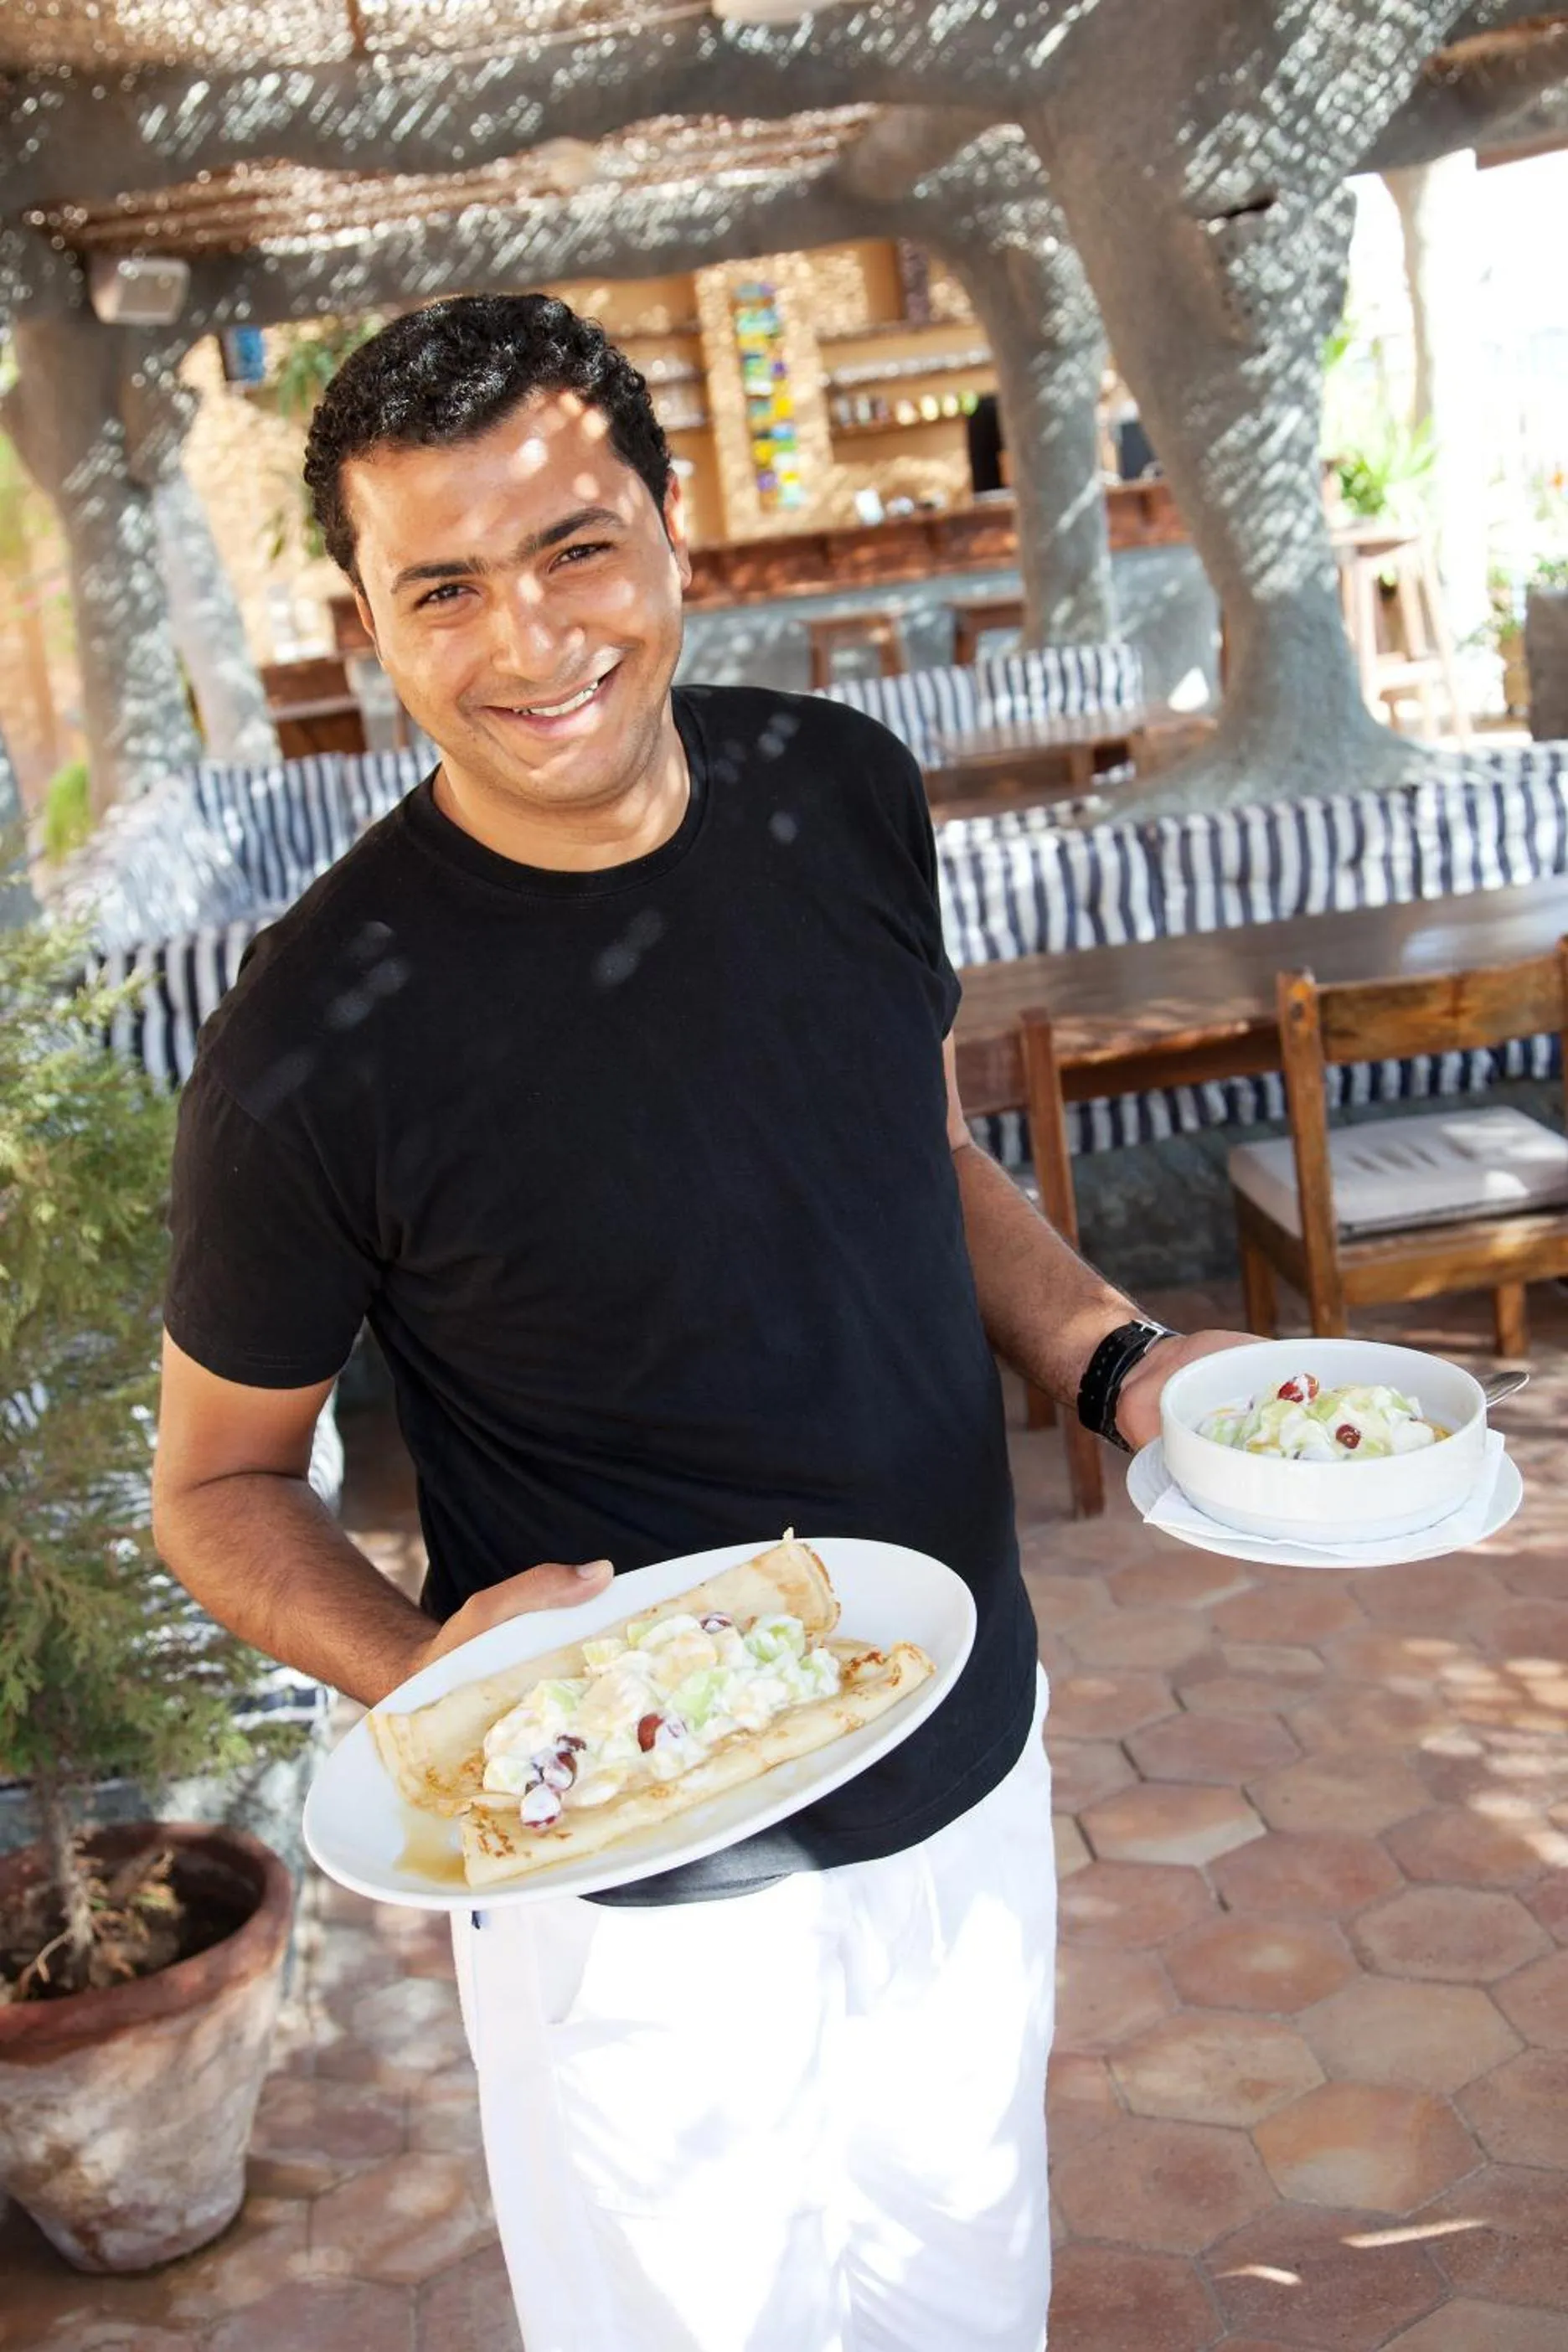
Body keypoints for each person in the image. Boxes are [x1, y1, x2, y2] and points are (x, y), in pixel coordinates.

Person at [152, 292, 1246, 2352]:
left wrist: (1118, 1357)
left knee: (966, 2285)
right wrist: (413, 1670)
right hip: (632, 1883)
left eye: (575, 548)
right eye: (445, 585)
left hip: (961, 1751)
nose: (529, 639)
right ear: (372, 626)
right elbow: (213, 1485)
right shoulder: (313, 1045)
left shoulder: (839, 788)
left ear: (676, 535)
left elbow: (918, 1156)